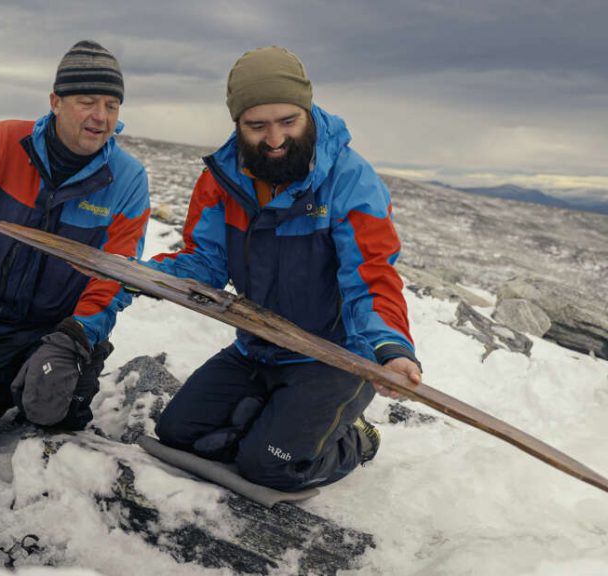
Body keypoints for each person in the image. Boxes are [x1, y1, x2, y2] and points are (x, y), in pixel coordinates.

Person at [148, 46, 420, 491]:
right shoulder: (223, 180)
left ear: (308, 113)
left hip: (335, 360)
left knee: (269, 468)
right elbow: (206, 262)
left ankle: (356, 440)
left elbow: (371, 274)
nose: (274, 139)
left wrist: (389, 346)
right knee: (178, 434)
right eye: (257, 126)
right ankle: (273, 416)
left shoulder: (350, 180)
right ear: (237, 125)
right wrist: (145, 275)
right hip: (258, 349)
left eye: (288, 122)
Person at [0, 40, 150, 460]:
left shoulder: (126, 179)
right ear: (55, 101)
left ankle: (71, 371)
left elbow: (117, 275)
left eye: (111, 105)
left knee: (51, 418)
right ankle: (1, 384)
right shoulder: (3, 143)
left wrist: (76, 338)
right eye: (87, 102)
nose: (100, 117)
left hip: (60, 332)